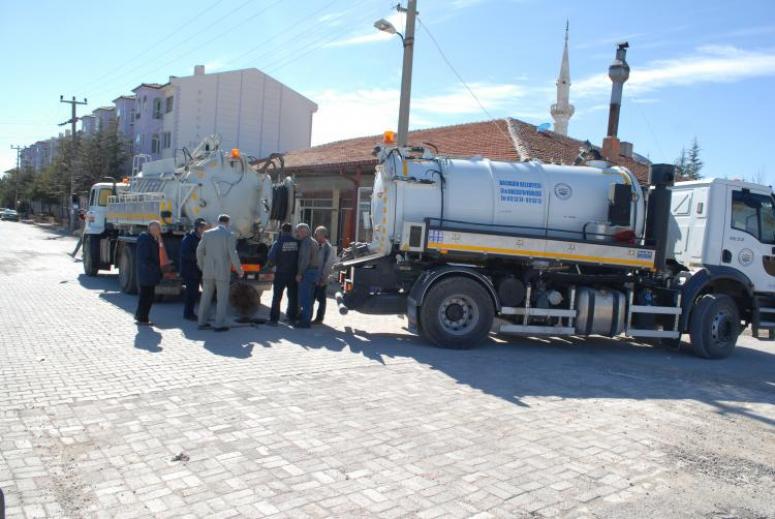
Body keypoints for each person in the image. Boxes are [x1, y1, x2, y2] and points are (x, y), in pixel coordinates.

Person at [196, 214, 244, 331]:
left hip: (208, 271)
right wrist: (239, 270)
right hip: (222, 272)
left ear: (218, 222)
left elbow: (199, 251)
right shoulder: (229, 235)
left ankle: (201, 322)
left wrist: (202, 266)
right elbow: (233, 254)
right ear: (228, 222)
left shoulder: (207, 233)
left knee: (205, 297)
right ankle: (219, 325)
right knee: (222, 299)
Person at [267, 223, 299, 326]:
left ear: (282, 230)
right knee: (293, 297)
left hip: (281, 273)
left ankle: (274, 320)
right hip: (293, 274)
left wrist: (270, 266)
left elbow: (271, 258)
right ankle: (292, 318)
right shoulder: (297, 243)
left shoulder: (278, 242)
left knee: (277, 297)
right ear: (291, 231)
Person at [135, 221, 163, 325]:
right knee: (147, 297)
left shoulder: (151, 239)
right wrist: (155, 268)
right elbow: (145, 258)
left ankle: (140, 316)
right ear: (150, 229)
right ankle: (143, 319)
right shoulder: (146, 239)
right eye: (155, 229)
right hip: (147, 273)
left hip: (148, 272)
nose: (157, 231)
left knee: (146, 296)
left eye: (158, 229)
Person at [180, 218, 207, 321]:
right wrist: (200, 257)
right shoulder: (188, 239)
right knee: (191, 293)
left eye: (203, 227)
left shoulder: (202, 239)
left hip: (197, 270)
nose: (203, 229)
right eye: (201, 227)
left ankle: (192, 312)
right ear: (197, 228)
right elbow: (185, 254)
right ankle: (188, 313)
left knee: (195, 293)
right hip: (190, 271)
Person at [295, 223, 320, 329]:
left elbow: (305, 260)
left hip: (307, 272)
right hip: (314, 272)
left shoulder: (306, 242)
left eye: (298, 232)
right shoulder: (314, 241)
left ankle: (305, 322)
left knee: (305, 298)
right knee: (309, 298)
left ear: (304, 231)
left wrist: (300, 273)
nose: (297, 234)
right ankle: (307, 318)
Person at [312, 226, 336, 324]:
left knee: (321, 299)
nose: (315, 235)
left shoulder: (328, 248)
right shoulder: (316, 245)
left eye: (316, 234)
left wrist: (323, 278)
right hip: (314, 277)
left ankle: (319, 318)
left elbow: (329, 265)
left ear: (322, 235)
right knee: (311, 298)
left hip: (322, 278)